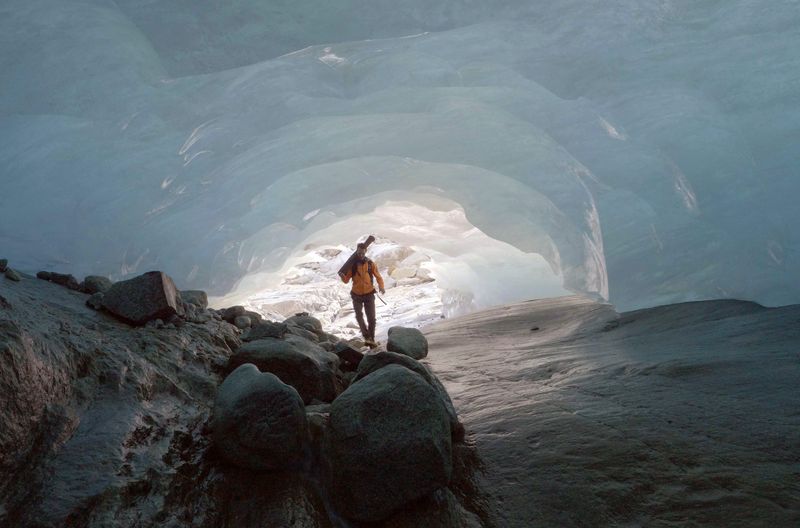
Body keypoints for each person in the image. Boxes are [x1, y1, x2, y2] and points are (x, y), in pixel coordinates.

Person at [338, 242, 385, 347]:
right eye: (359, 253)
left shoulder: (370, 264)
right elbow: (346, 280)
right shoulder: (353, 265)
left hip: (369, 294)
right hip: (356, 295)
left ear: (365, 252)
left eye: (362, 253)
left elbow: (378, 277)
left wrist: (381, 286)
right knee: (359, 316)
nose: (361, 255)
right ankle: (366, 336)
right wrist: (342, 277)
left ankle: (371, 340)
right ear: (356, 252)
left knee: (372, 319)